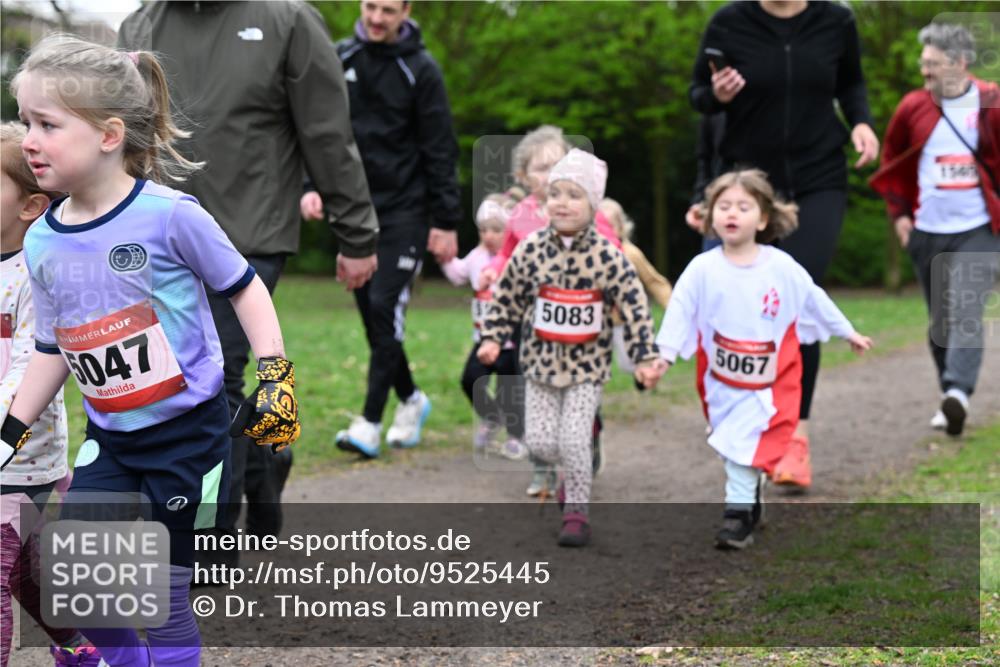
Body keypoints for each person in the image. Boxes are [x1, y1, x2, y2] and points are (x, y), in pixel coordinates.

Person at [1, 36, 301, 667]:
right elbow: (53, 349)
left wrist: (275, 376)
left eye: (47, 124)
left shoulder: (171, 216)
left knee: (163, 595)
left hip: (189, 437)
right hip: (108, 440)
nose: (29, 138)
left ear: (109, 134)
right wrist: (10, 431)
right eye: (25, 121)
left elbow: (245, 289)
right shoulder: (43, 242)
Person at [117, 1, 378, 551]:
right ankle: (264, 459)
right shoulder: (139, 25)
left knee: (214, 379)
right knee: (164, 382)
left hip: (248, 231)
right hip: (154, 237)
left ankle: (212, 539)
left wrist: (357, 234)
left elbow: (327, 134)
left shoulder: (288, 20)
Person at [689, 0, 880, 489]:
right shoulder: (729, 23)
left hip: (819, 177)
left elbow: (851, 83)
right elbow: (698, 99)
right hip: (749, 184)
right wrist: (716, 94)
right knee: (739, 307)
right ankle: (743, 417)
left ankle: (795, 435)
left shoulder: (836, 21)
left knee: (795, 297)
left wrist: (860, 121)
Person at [655, 169, 872, 549]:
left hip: (770, 382)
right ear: (710, 217)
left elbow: (812, 298)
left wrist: (846, 330)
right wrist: (664, 356)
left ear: (764, 218)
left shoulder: (780, 266)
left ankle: (736, 516)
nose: (731, 214)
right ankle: (750, 496)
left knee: (745, 441)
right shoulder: (702, 268)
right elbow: (679, 312)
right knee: (732, 443)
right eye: (723, 206)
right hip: (720, 380)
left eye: (743, 206)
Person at [478, 149, 667, 547]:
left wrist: (646, 356)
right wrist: (493, 337)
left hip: (587, 367)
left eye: (574, 195)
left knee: (573, 441)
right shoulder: (530, 250)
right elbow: (507, 296)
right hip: (540, 365)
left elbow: (635, 307)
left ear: (593, 204)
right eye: (555, 193)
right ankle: (577, 455)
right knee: (543, 443)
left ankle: (577, 510)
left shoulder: (607, 257)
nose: (562, 202)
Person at [301, 0, 462, 458]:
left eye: (388, 10)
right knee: (375, 319)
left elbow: (440, 148)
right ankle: (411, 400)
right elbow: (320, 130)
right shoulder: (341, 57)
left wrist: (446, 221)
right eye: (371, 6)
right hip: (355, 211)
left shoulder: (422, 70)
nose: (376, 18)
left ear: (406, 11)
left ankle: (369, 423)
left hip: (406, 211)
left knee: (384, 305)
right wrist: (313, 185)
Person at [0, 123, 102, 666]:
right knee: (23, 571)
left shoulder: (37, 274)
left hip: (22, 456)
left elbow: (29, 366)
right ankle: (82, 646)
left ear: (30, 207)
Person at [870, 23, 1000, 436]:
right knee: (940, 322)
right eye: (923, 63)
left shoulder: (991, 103)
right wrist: (900, 216)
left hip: (979, 229)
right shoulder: (912, 107)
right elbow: (892, 159)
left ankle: (959, 392)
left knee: (965, 308)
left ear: (960, 63)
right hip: (927, 230)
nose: (924, 72)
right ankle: (950, 396)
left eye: (933, 64)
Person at [479, 125, 622, 494]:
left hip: (583, 328)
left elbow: (613, 249)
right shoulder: (521, 216)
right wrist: (493, 271)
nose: (551, 173)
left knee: (578, 395)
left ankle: (587, 438)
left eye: (559, 164)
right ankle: (541, 468)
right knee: (535, 394)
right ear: (522, 177)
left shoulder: (586, 210)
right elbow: (507, 255)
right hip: (534, 325)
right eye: (541, 168)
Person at [440, 194, 528, 460]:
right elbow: (458, 273)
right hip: (483, 338)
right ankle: (492, 418)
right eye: (484, 230)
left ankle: (516, 436)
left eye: (497, 230)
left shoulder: (517, 258)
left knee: (509, 391)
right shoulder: (477, 257)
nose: (489, 235)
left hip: (511, 341)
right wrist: (445, 258)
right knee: (470, 379)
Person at [599, 198, 673, 380]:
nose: (606, 232)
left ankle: (645, 375)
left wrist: (672, 307)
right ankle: (593, 401)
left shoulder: (630, 253)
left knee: (627, 364)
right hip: (596, 321)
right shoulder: (588, 255)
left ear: (622, 228)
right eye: (601, 226)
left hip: (624, 320)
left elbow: (654, 281)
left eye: (611, 226)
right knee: (596, 365)